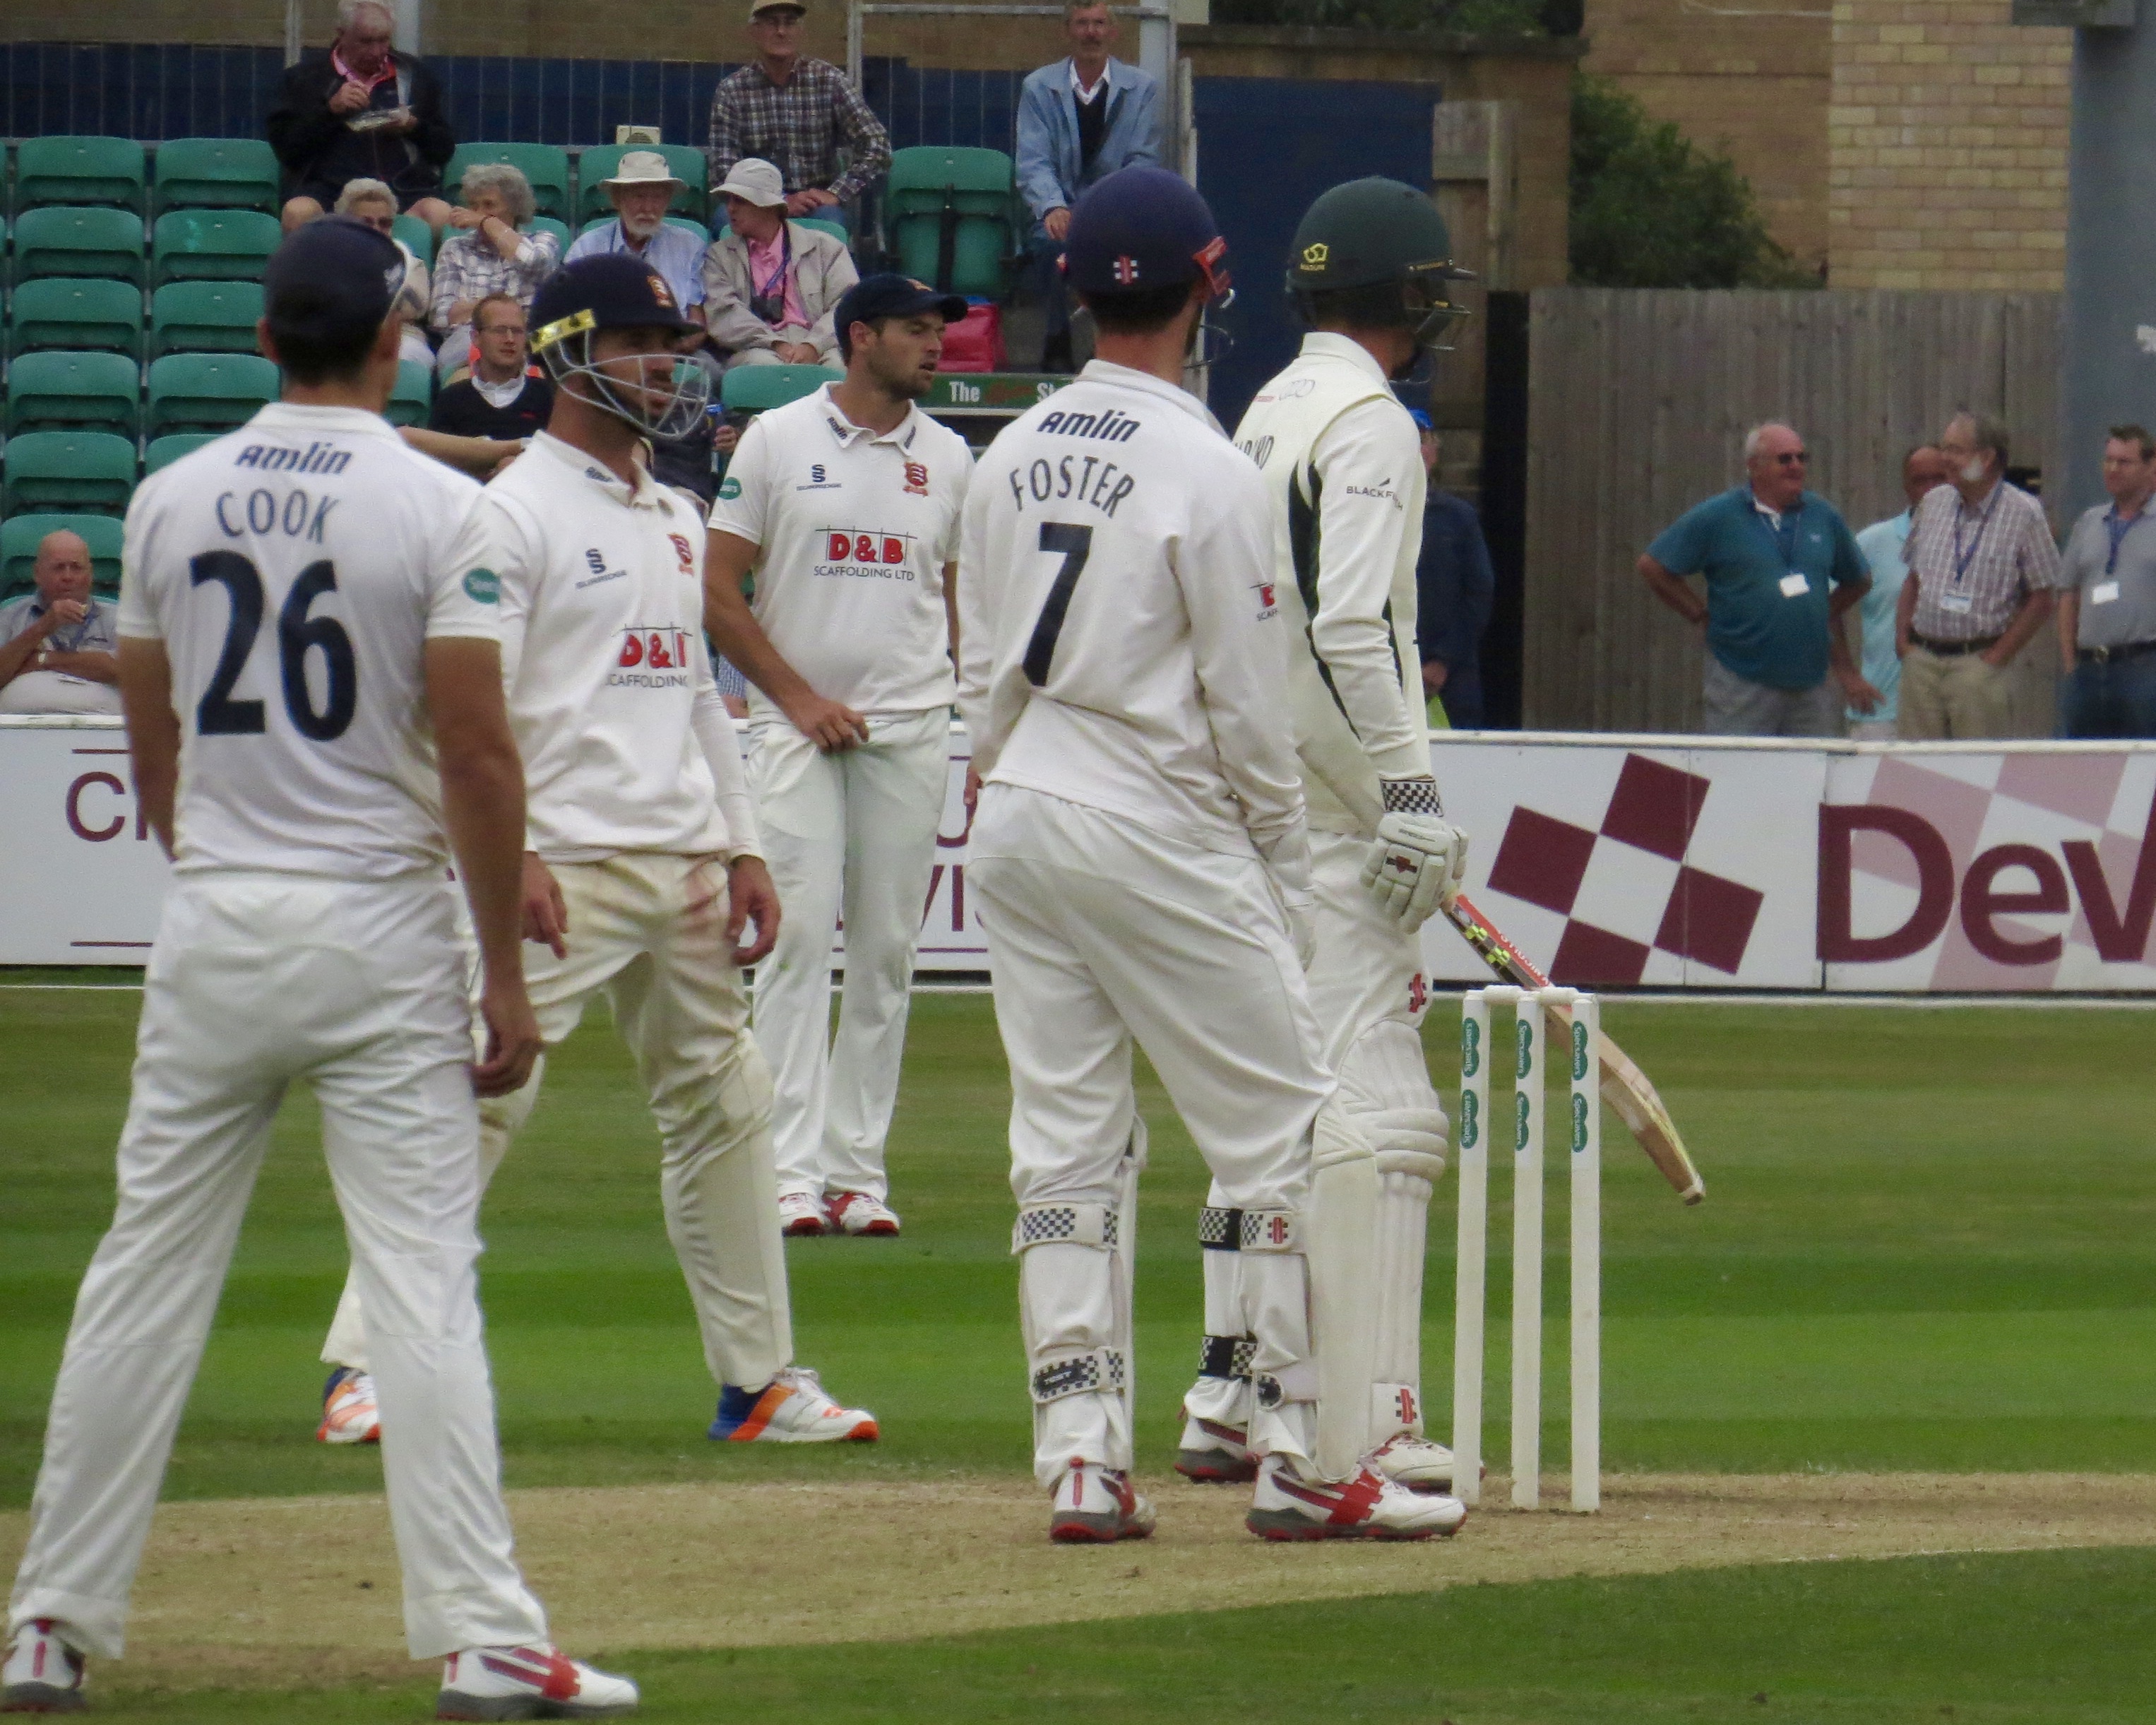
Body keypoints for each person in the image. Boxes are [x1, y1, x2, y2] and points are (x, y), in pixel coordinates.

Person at [0, 218, 636, 1720]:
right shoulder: (437, 504)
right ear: (394, 342)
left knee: (142, 1275)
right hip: (377, 925)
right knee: (420, 1278)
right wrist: (501, 974)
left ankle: (45, 1627)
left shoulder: (170, 494)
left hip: (219, 920)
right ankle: (483, 1638)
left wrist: (225, 850)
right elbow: (476, 751)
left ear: (267, 337)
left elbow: (151, 736)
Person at [957, 165, 1463, 1545]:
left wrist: (1011, 784)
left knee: (1063, 1146)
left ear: (1074, 292)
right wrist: (1280, 859)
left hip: (1020, 810)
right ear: (1207, 288)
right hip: (1158, 820)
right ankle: (1301, 1456)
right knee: (1287, 1134)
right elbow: (1247, 709)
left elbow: (977, 674)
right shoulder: (1206, 467)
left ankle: (1079, 1457)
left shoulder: (1004, 451)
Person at [311, 252, 878, 1457]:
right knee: (477, 1098)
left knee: (728, 1108)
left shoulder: (673, 515)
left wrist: (742, 845)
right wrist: (507, 855)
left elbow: (693, 696)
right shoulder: (508, 512)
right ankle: (363, 1365)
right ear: (569, 354)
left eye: (671, 347)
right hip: (560, 864)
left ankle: (757, 1383)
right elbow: (463, 711)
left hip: (681, 861)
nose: (665, 368)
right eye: (638, 345)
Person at [1175, 177, 1472, 1506]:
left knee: (1270, 1109)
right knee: (1379, 1117)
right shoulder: (1372, 423)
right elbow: (1353, 627)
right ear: (1406, 292)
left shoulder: (1266, 408)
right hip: (1336, 811)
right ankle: (1365, 1421)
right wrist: (1407, 793)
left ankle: (1233, 1392)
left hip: (1260, 794)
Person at [704, 275, 974, 1238]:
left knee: (887, 956)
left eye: (939, 330)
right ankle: (787, 1172)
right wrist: (799, 699)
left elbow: (960, 606)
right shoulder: (777, 439)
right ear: (860, 336)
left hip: (911, 726)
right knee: (796, 943)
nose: (935, 345)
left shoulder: (949, 457)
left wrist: (975, 718)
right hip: (795, 730)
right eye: (916, 329)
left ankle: (856, 1174)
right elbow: (718, 589)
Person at [1639, 422, 1875, 736]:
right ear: (1754, 466)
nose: (1796, 466)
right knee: (1741, 765)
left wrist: (1821, 612)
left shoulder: (1822, 515)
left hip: (1812, 683)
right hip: (1741, 680)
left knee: (1813, 767)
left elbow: (1859, 580)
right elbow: (1653, 566)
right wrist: (1699, 615)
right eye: (1785, 459)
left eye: (1801, 458)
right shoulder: (1719, 515)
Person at [1014, 0, 1162, 372]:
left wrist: (1104, 212)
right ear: (1068, 31)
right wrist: (1052, 206)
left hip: (1117, 211)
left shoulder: (1142, 88)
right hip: (1057, 210)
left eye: (1099, 24)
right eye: (1082, 24)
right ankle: (1057, 341)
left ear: (1113, 32)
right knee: (1052, 245)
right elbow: (1033, 160)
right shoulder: (1038, 87)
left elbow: (1142, 161)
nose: (1091, 33)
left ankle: (1110, 349)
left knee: (1125, 250)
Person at [1895, 411, 2061, 741]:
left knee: (1977, 767)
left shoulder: (2024, 513)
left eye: (1955, 450)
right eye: (1944, 448)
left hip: (1977, 665)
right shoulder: (1932, 503)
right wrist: (1903, 643)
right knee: (1916, 767)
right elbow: (1913, 579)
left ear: (1986, 458)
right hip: (1921, 662)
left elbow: (2043, 598)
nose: (1945, 458)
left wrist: (1996, 659)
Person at [268, 0, 454, 236]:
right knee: (297, 213)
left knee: (441, 214)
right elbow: (288, 151)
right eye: (366, 41)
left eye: (384, 40)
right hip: (330, 192)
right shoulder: (303, 80)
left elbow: (444, 150)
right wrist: (330, 112)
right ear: (341, 35)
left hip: (403, 190)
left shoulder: (415, 76)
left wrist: (414, 127)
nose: (376, 51)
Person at [707, 0, 891, 226]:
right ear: (754, 31)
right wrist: (777, 201)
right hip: (754, 202)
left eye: (790, 23)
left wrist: (836, 193)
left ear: (801, 31)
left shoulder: (829, 80)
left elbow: (877, 144)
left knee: (830, 224)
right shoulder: (732, 91)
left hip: (816, 207)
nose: (781, 31)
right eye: (772, 23)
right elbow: (723, 169)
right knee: (725, 220)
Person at [701, 157, 859, 368]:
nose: (730, 209)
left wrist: (813, 345)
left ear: (769, 206)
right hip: (756, 347)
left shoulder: (827, 248)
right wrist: (775, 343)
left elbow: (846, 305)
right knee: (763, 366)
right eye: (728, 200)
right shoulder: (718, 256)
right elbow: (724, 314)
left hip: (822, 345)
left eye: (740, 201)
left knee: (837, 368)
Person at [2057, 424, 2156, 739]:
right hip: (2089, 670)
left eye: (2124, 462)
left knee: (2144, 762)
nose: (2113, 469)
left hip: (2143, 668)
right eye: (2108, 460)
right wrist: (2071, 663)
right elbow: (2068, 595)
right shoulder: (2089, 522)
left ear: (2151, 467)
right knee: (2085, 761)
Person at [1846, 444, 1950, 741]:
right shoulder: (1871, 543)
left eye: (1939, 479)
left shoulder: (1974, 542)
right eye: (1920, 480)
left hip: (1953, 706)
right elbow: (1824, 607)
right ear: (1906, 487)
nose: (1930, 490)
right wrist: (1848, 675)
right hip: (1883, 709)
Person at [429, 162, 561, 383]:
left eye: (489, 205)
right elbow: (442, 317)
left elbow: (532, 261)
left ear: (515, 208)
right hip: (470, 340)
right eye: (474, 206)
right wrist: (513, 311)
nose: (478, 214)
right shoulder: (455, 248)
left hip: (533, 338)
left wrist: (487, 223)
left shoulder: (543, 240)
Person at [1407, 412, 1495, 730]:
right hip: (1382, 677)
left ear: (1434, 450)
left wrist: (1442, 661)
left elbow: (1479, 594)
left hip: (1450, 683)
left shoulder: (1458, 517)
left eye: (1422, 440)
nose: (1415, 450)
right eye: (1404, 440)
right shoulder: (1365, 516)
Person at [564, 150, 710, 332]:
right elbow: (566, 316)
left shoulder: (690, 247)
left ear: (667, 201)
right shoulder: (587, 248)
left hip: (672, 345)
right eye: (639, 196)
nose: (648, 208)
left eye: (657, 197)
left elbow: (697, 323)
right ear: (617, 199)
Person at [0, 530, 121, 716]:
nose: (68, 576)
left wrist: (42, 660)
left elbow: (126, 671)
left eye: (76, 567)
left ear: (90, 574)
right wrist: (43, 626)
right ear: (38, 573)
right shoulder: (10, 617)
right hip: (20, 728)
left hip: (102, 727)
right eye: (58, 568)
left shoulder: (116, 618)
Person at [333, 177, 436, 368]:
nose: (376, 230)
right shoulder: (326, 259)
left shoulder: (410, 262)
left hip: (402, 337)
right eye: (366, 222)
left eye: (384, 223)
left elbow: (414, 307)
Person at [428, 292, 553, 441]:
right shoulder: (451, 400)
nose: (510, 339)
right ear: (476, 338)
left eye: (517, 331)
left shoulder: (548, 397)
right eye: (499, 330)